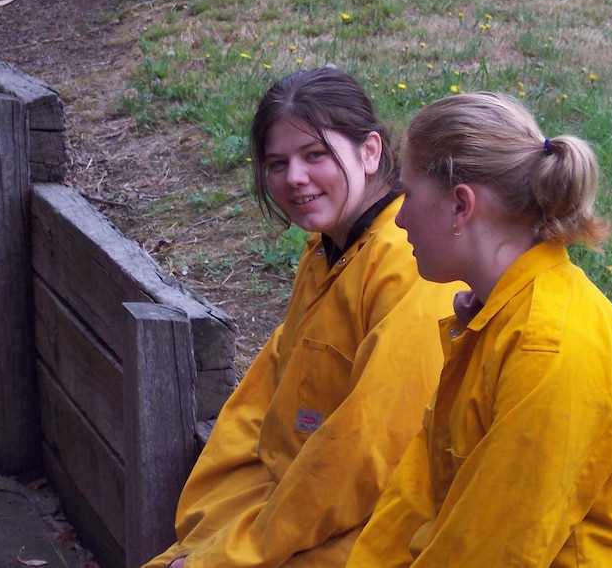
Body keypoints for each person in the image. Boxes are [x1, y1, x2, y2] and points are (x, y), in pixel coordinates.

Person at [143, 68, 465, 568]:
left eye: (315, 155)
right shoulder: (327, 251)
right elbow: (268, 398)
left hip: (387, 524)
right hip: (308, 503)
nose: (294, 178)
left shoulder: (409, 265)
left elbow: (371, 452)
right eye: (277, 163)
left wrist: (238, 551)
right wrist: (219, 522)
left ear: (371, 151)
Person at [345, 92, 612, 567]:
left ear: (461, 206)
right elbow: (417, 492)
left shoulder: (549, 351)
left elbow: (492, 554)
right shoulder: (499, 315)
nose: (398, 217)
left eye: (408, 194)